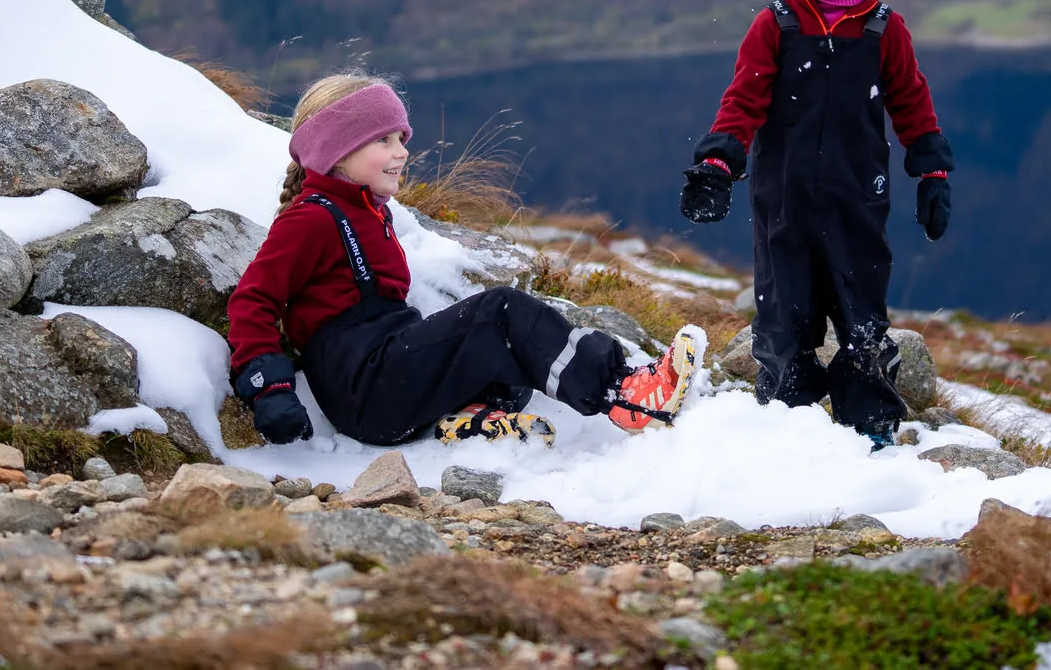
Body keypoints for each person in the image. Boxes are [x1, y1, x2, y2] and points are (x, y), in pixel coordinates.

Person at [228, 74, 704, 447]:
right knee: (499, 311)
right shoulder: (310, 220)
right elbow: (252, 300)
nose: (402, 151)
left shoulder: (367, 210)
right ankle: (623, 394)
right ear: (337, 152)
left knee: (498, 347)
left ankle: (467, 418)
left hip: (382, 379)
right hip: (365, 388)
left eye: (401, 137)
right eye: (385, 142)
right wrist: (268, 389)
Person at [679, 0, 953, 447]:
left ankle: (870, 431)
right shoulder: (774, 24)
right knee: (784, 321)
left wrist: (932, 171)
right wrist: (717, 165)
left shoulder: (885, 30)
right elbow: (742, 101)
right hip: (785, 205)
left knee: (864, 322)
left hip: (858, 201)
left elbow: (911, 102)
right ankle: (787, 431)